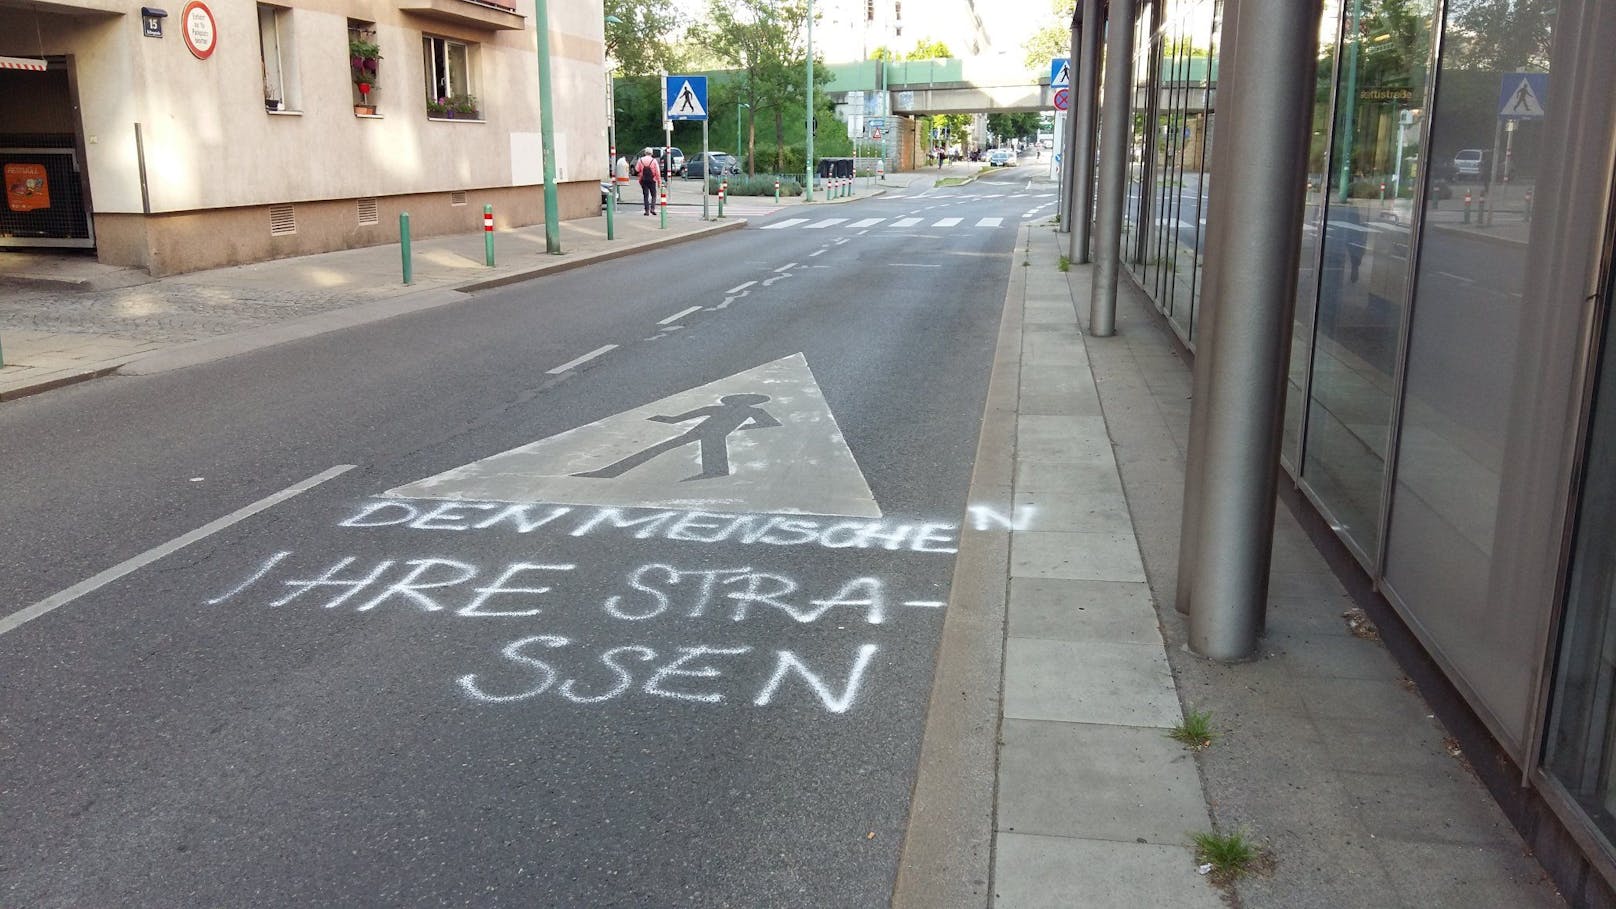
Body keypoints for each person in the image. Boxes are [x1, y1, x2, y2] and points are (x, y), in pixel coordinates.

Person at [635, 148, 660, 216]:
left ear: (645, 153)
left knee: (645, 195)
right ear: (651, 153)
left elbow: (636, 169)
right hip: (652, 180)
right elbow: (658, 172)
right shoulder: (654, 161)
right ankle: (652, 209)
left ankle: (647, 211)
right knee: (654, 195)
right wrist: (659, 182)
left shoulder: (640, 160)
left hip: (644, 180)